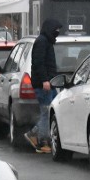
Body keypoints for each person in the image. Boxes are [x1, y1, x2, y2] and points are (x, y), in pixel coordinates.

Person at [26, 18, 62, 153]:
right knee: (46, 113)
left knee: (49, 113)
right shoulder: (42, 42)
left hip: (50, 83)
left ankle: (33, 134)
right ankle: (42, 143)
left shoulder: (47, 41)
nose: (57, 32)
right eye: (56, 29)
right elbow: (38, 63)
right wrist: (45, 80)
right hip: (44, 85)